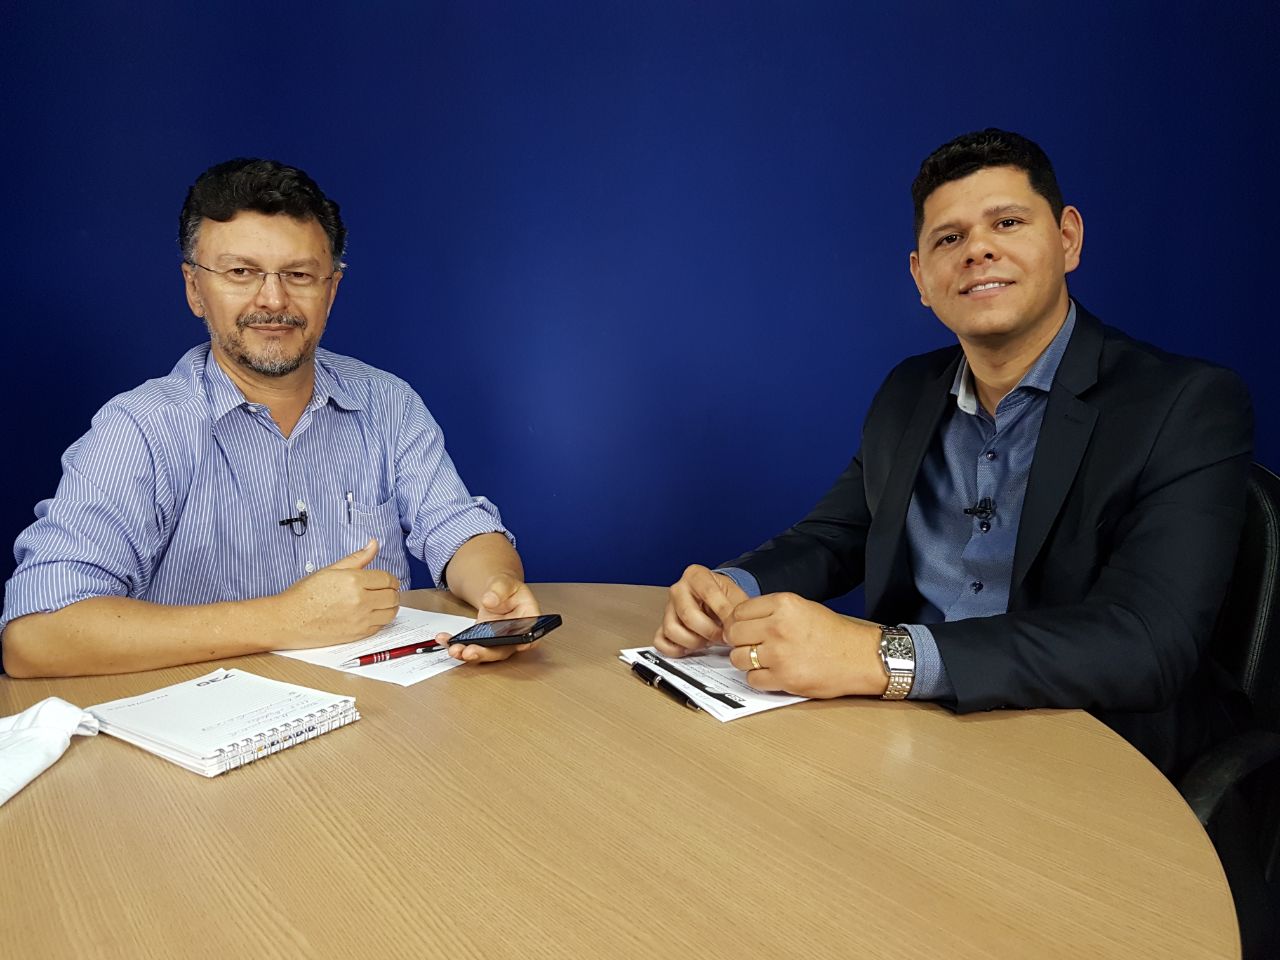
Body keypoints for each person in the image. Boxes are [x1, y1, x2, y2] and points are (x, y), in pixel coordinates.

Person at [654, 129, 1252, 778]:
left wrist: (882, 656)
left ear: (1068, 239)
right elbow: (832, 539)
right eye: (949, 238)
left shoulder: (1185, 403)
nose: (979, 250)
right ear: (921, 276)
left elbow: (1145, 642)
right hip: (910, 741)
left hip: (1087, 757)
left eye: (1008, 222)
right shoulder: (908, 391)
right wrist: (728, 589)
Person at [1, 158, 539, 677]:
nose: (273, 299)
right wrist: (282, 619)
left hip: (377, 730)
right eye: (241, 272)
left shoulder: (387, 403)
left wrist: (498, 588)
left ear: (332, 289)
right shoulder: (139, 429)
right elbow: (35, 636)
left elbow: (458, 528)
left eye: (299, 274)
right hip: (207, 742)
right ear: (195, 289)